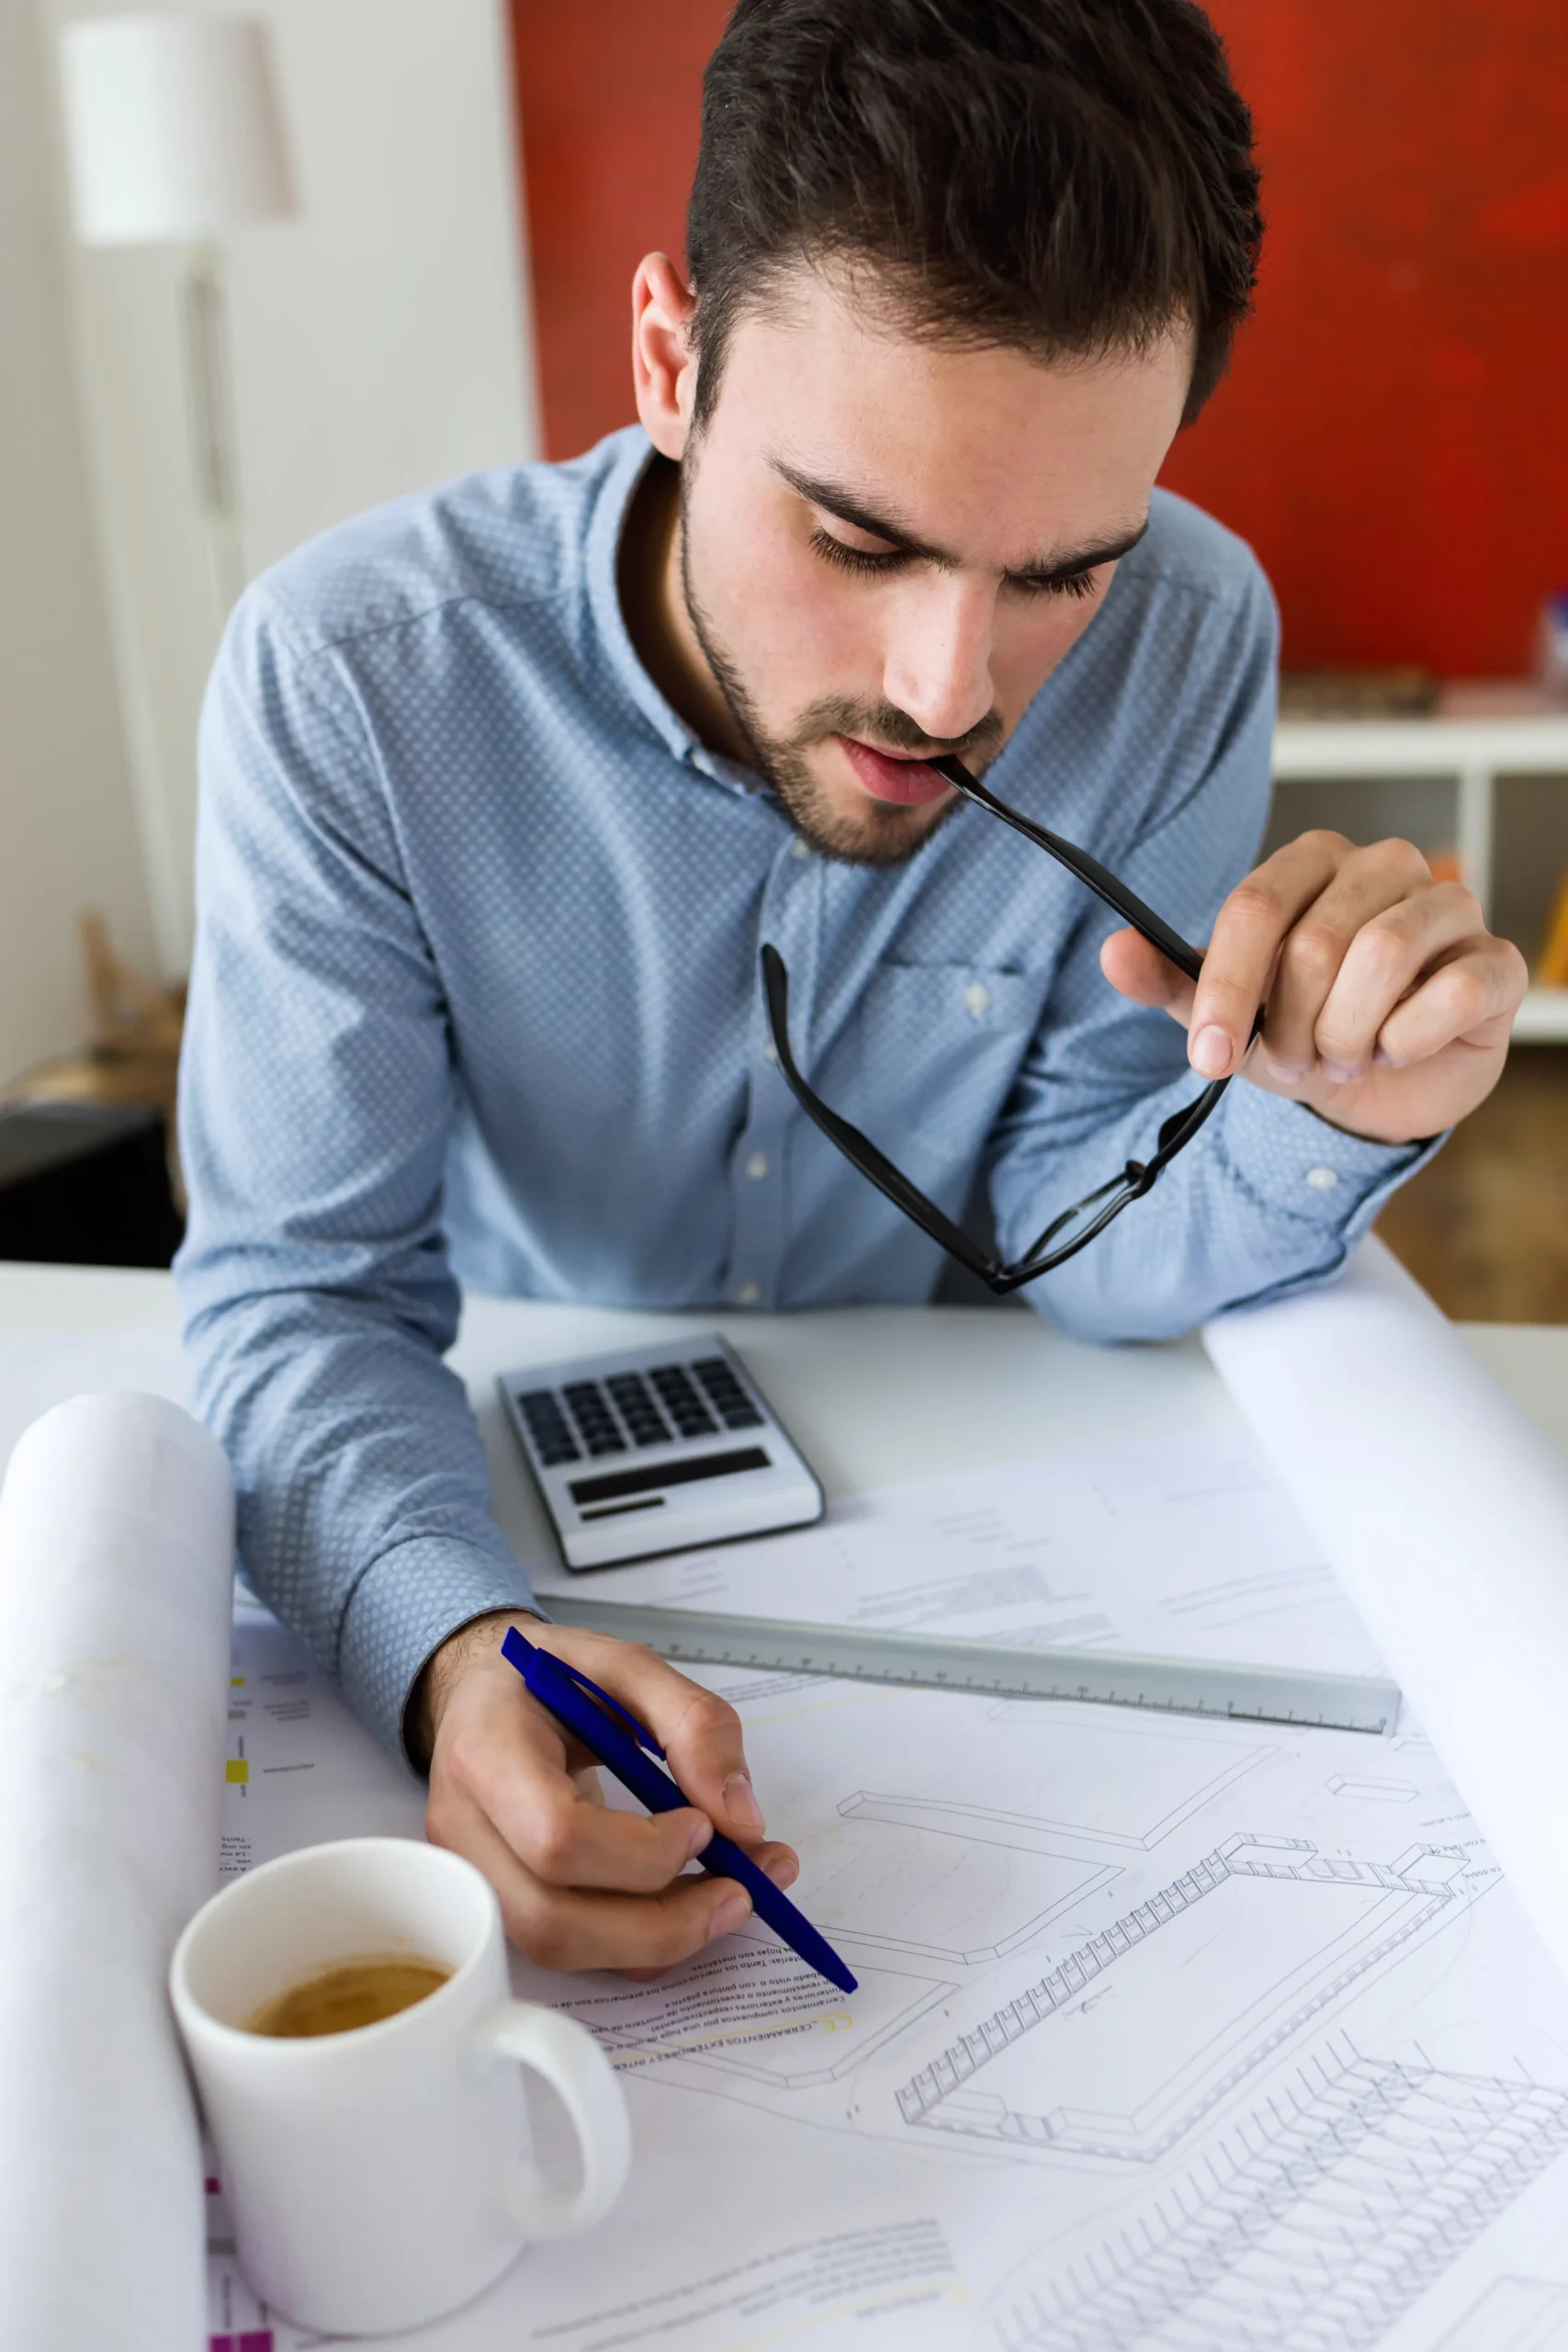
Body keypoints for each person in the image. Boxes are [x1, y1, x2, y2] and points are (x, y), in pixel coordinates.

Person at [176, 0, 1527, 1976]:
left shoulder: (1188, 631)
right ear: (668, 361)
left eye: (1061, 567)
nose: (947, 688)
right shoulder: (353, 678)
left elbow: (1082, 1206)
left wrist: (1327, 1112)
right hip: (514, 1487)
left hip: (992, 1529)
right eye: (852, 535)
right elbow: (304, 1290)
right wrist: (454, 1649)